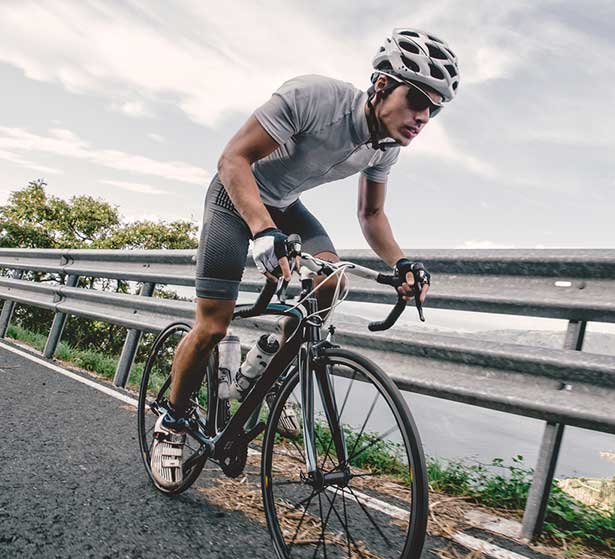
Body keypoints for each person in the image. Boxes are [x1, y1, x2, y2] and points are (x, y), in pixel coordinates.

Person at [149, 28, 461, 490]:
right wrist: (261, 230)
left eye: (434, 108)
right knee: (214, 325)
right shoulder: (313, 97)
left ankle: (266, 368)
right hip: (235, 199)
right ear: (380, 85)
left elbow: (371, 214)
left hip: (286, 207)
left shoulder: (385, 147)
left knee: (331, 282)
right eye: (418, 99)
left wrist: (400, 262)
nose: (424, 116)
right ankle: (171, 423)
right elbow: (232, 159)